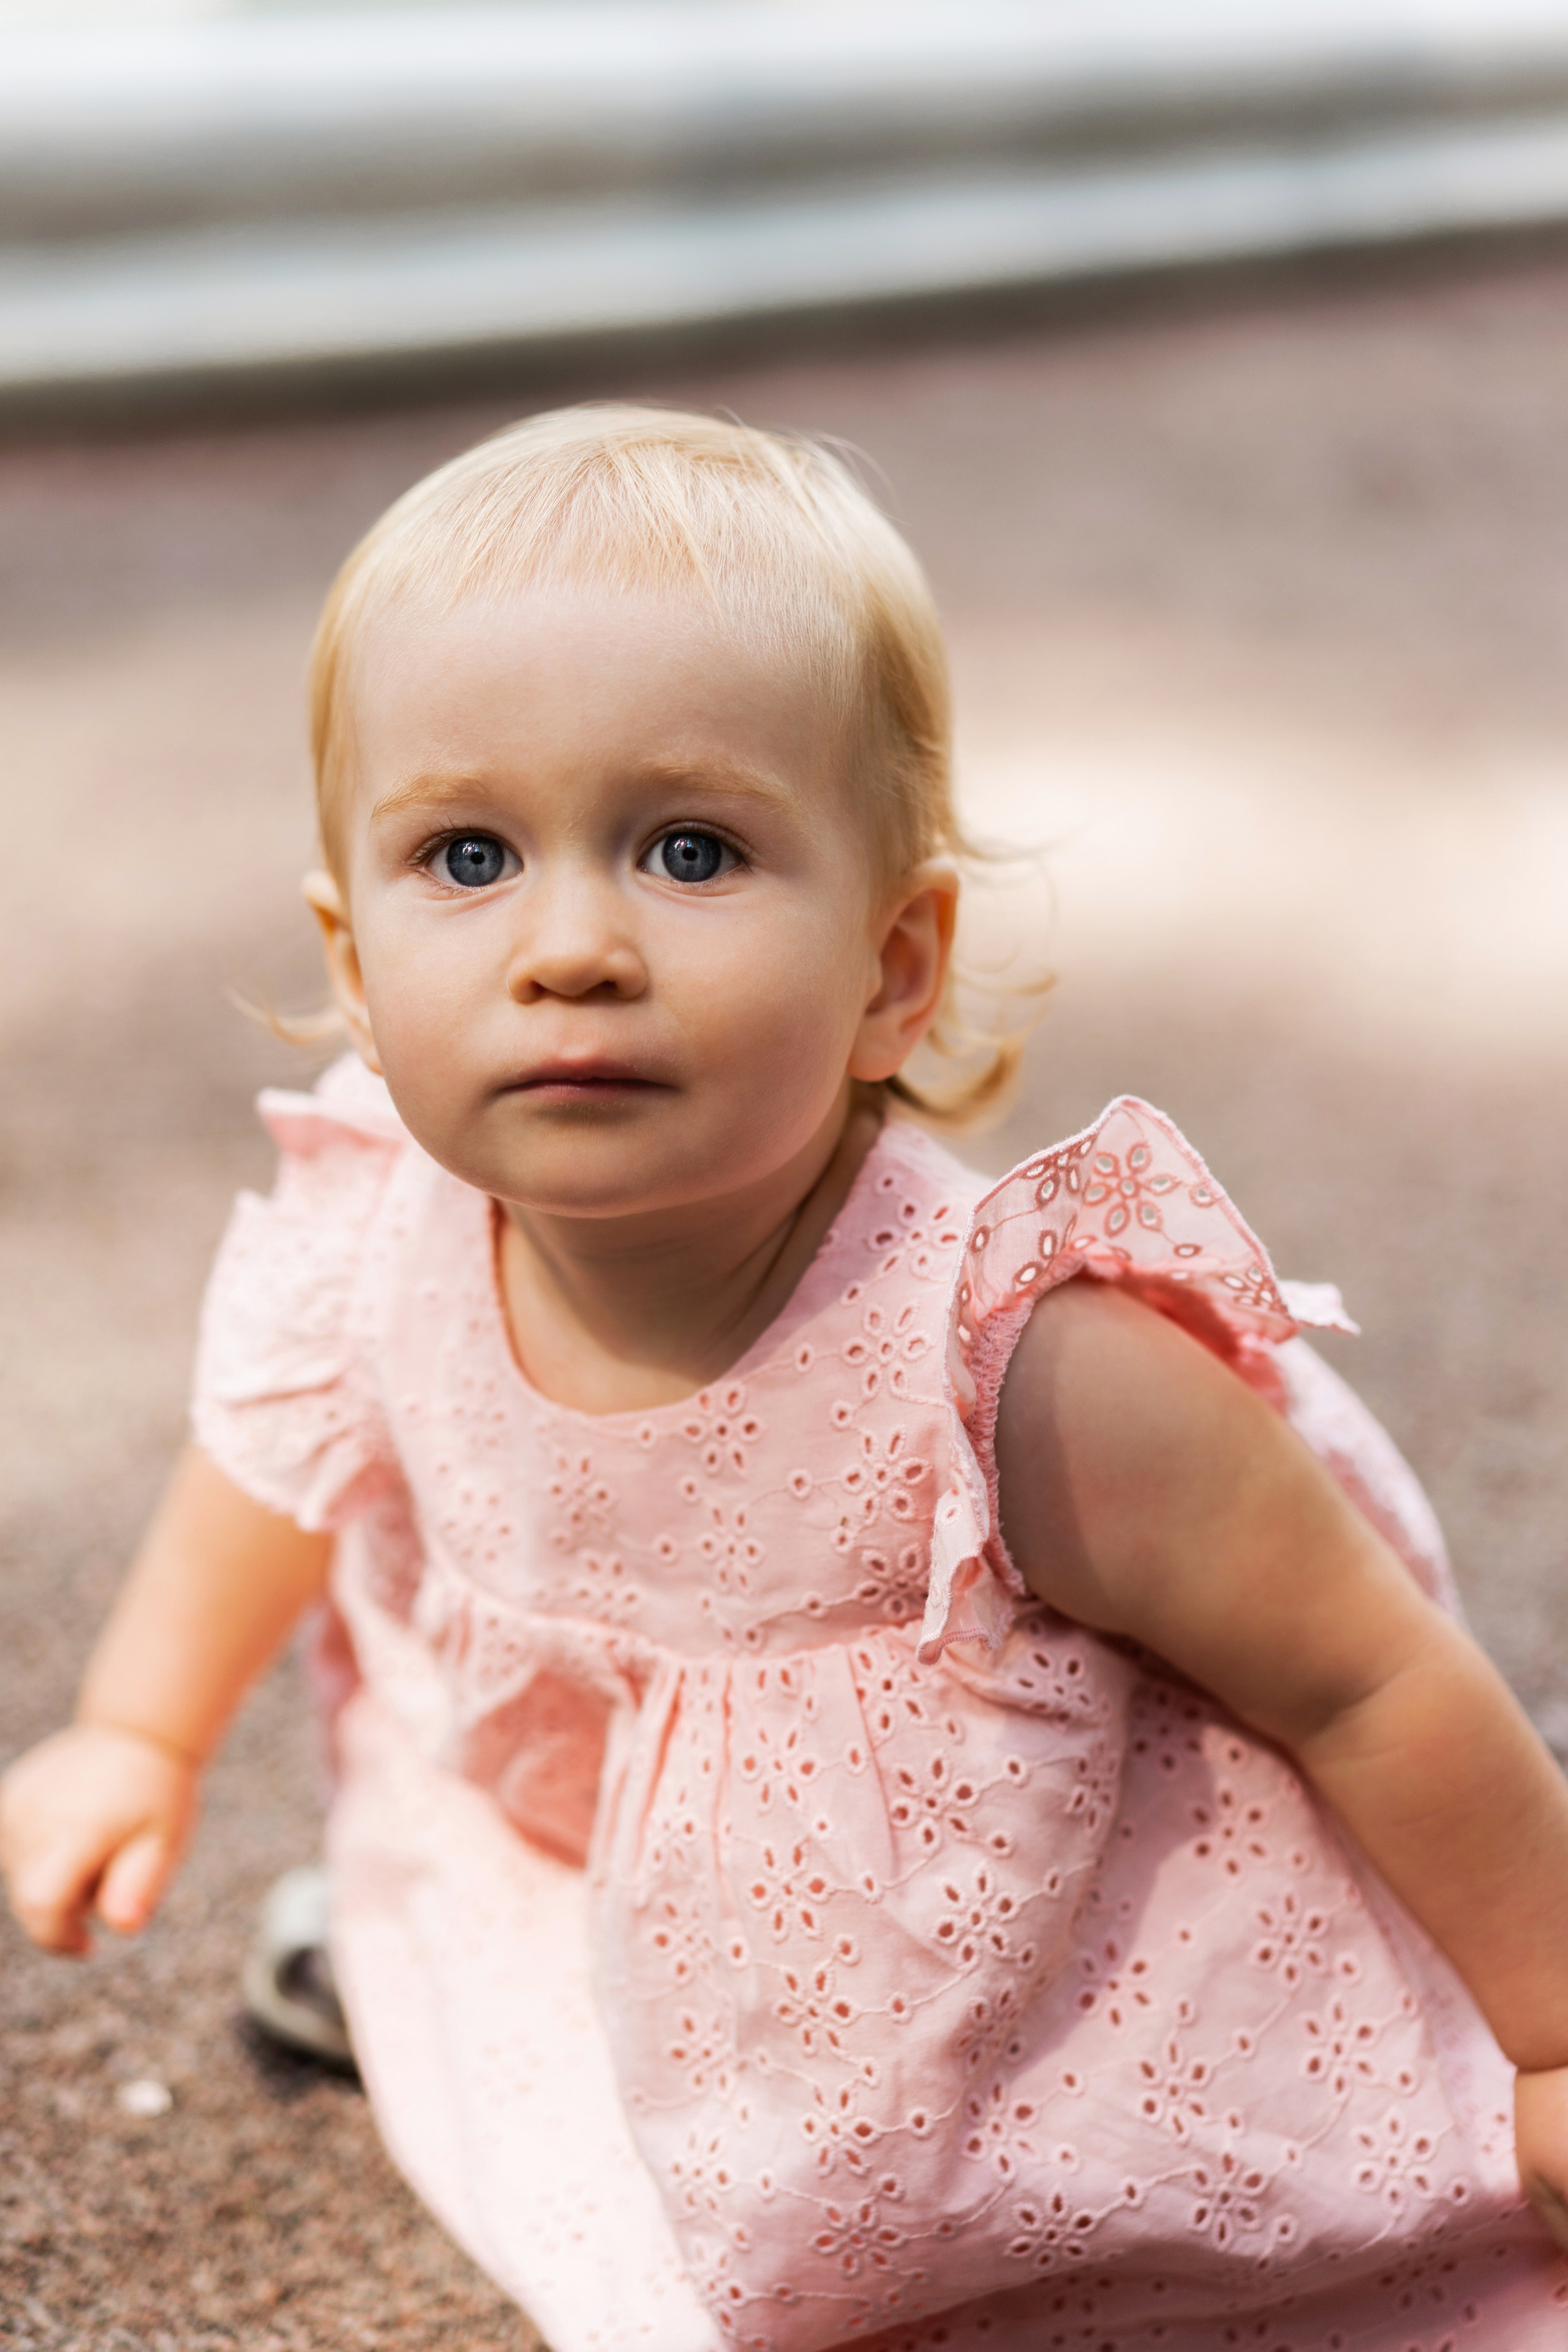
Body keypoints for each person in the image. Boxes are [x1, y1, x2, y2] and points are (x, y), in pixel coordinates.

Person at [3, 405, 1567, 2352]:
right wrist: (138, 1728)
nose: (572, 946)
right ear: (349, 951)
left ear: (897, 966)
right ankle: (506, 1968)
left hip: (997, 1966)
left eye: (691, 849)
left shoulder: (1019, 1378)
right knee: (501, 1974)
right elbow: (269, 1469)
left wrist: (1555, 2032)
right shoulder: (381, 1229)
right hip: (573, 1831)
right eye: (468, 855)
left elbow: (1366, 1674)